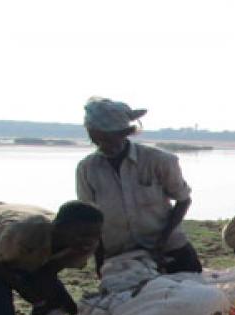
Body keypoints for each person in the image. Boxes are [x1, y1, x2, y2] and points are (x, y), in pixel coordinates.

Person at [75, 96, 202, 274]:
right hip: (121, 256)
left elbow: (183, 200)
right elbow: (91, 219)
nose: (104, 146)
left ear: (124, 133)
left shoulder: (159, 160)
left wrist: (162, 240)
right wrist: (99, 260)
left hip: (170, 250)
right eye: (97, 140)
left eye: (109, 139)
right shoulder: (87, 169)